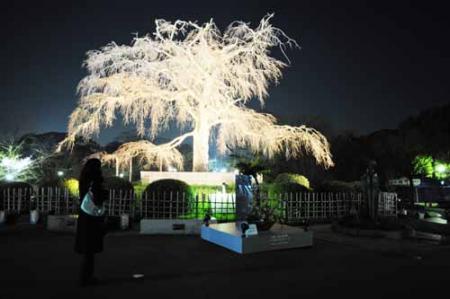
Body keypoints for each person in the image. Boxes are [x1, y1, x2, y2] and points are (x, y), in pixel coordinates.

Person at [74, 158, 107, 286]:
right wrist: (104, 194)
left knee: (88, 250)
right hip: (93, 218)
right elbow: (98, 198)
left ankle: (86, 276)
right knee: (90, 249)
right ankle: (87, 278)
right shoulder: (96, 180)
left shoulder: (83, 179)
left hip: (84, 214)